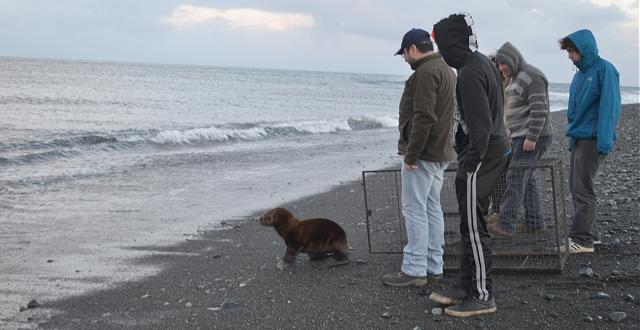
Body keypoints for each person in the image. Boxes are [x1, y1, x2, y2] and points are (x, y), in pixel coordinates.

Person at [428, 13, 510, 317]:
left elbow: (481, 126)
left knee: (475, 228)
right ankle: (465, 285)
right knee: (468, 224)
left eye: (440, 43)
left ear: (451, 43)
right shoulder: (480, 63)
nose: (440, 52)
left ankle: (482, 295)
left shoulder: (469, 73)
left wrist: (471, 164)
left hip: (484, 156)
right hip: (493, 152)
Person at [381, 28, 456, 287]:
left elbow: (424, 116)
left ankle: (414, 269)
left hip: (424, 154)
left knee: (414, 210)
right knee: (432, 208)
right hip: (441, 151)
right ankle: (434, 266)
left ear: (413, 48)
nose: (404, 58)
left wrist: (411, 155)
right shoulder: (447, 69)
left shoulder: (425, 73)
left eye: (404, 53)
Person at [559, 29, 621, 253]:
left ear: (583, 49)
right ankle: (589, 235)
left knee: (583, 189)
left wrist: (604, 140)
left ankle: (581, 239)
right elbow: (574, 111)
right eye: (567, 51)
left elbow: (610, 106)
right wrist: (572, 136)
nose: (569, 56)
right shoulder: (579, 74)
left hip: (593, 139)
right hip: (580, 137)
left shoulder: (605, 69)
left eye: (572, 51)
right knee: (576, 186)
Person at [488, 42, 553, 236]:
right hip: (520, 136)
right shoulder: (515, 78)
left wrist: (531, 137)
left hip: (534, 136)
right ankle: (535, 222)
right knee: (527, 177)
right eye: (498, 65)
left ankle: (506, 224)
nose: (501, 68)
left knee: (515, 176)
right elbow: (516, 111)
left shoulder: (531, 76)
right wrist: (511, 133)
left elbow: (539, 109)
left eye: (503, 64)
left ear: (513, 59)